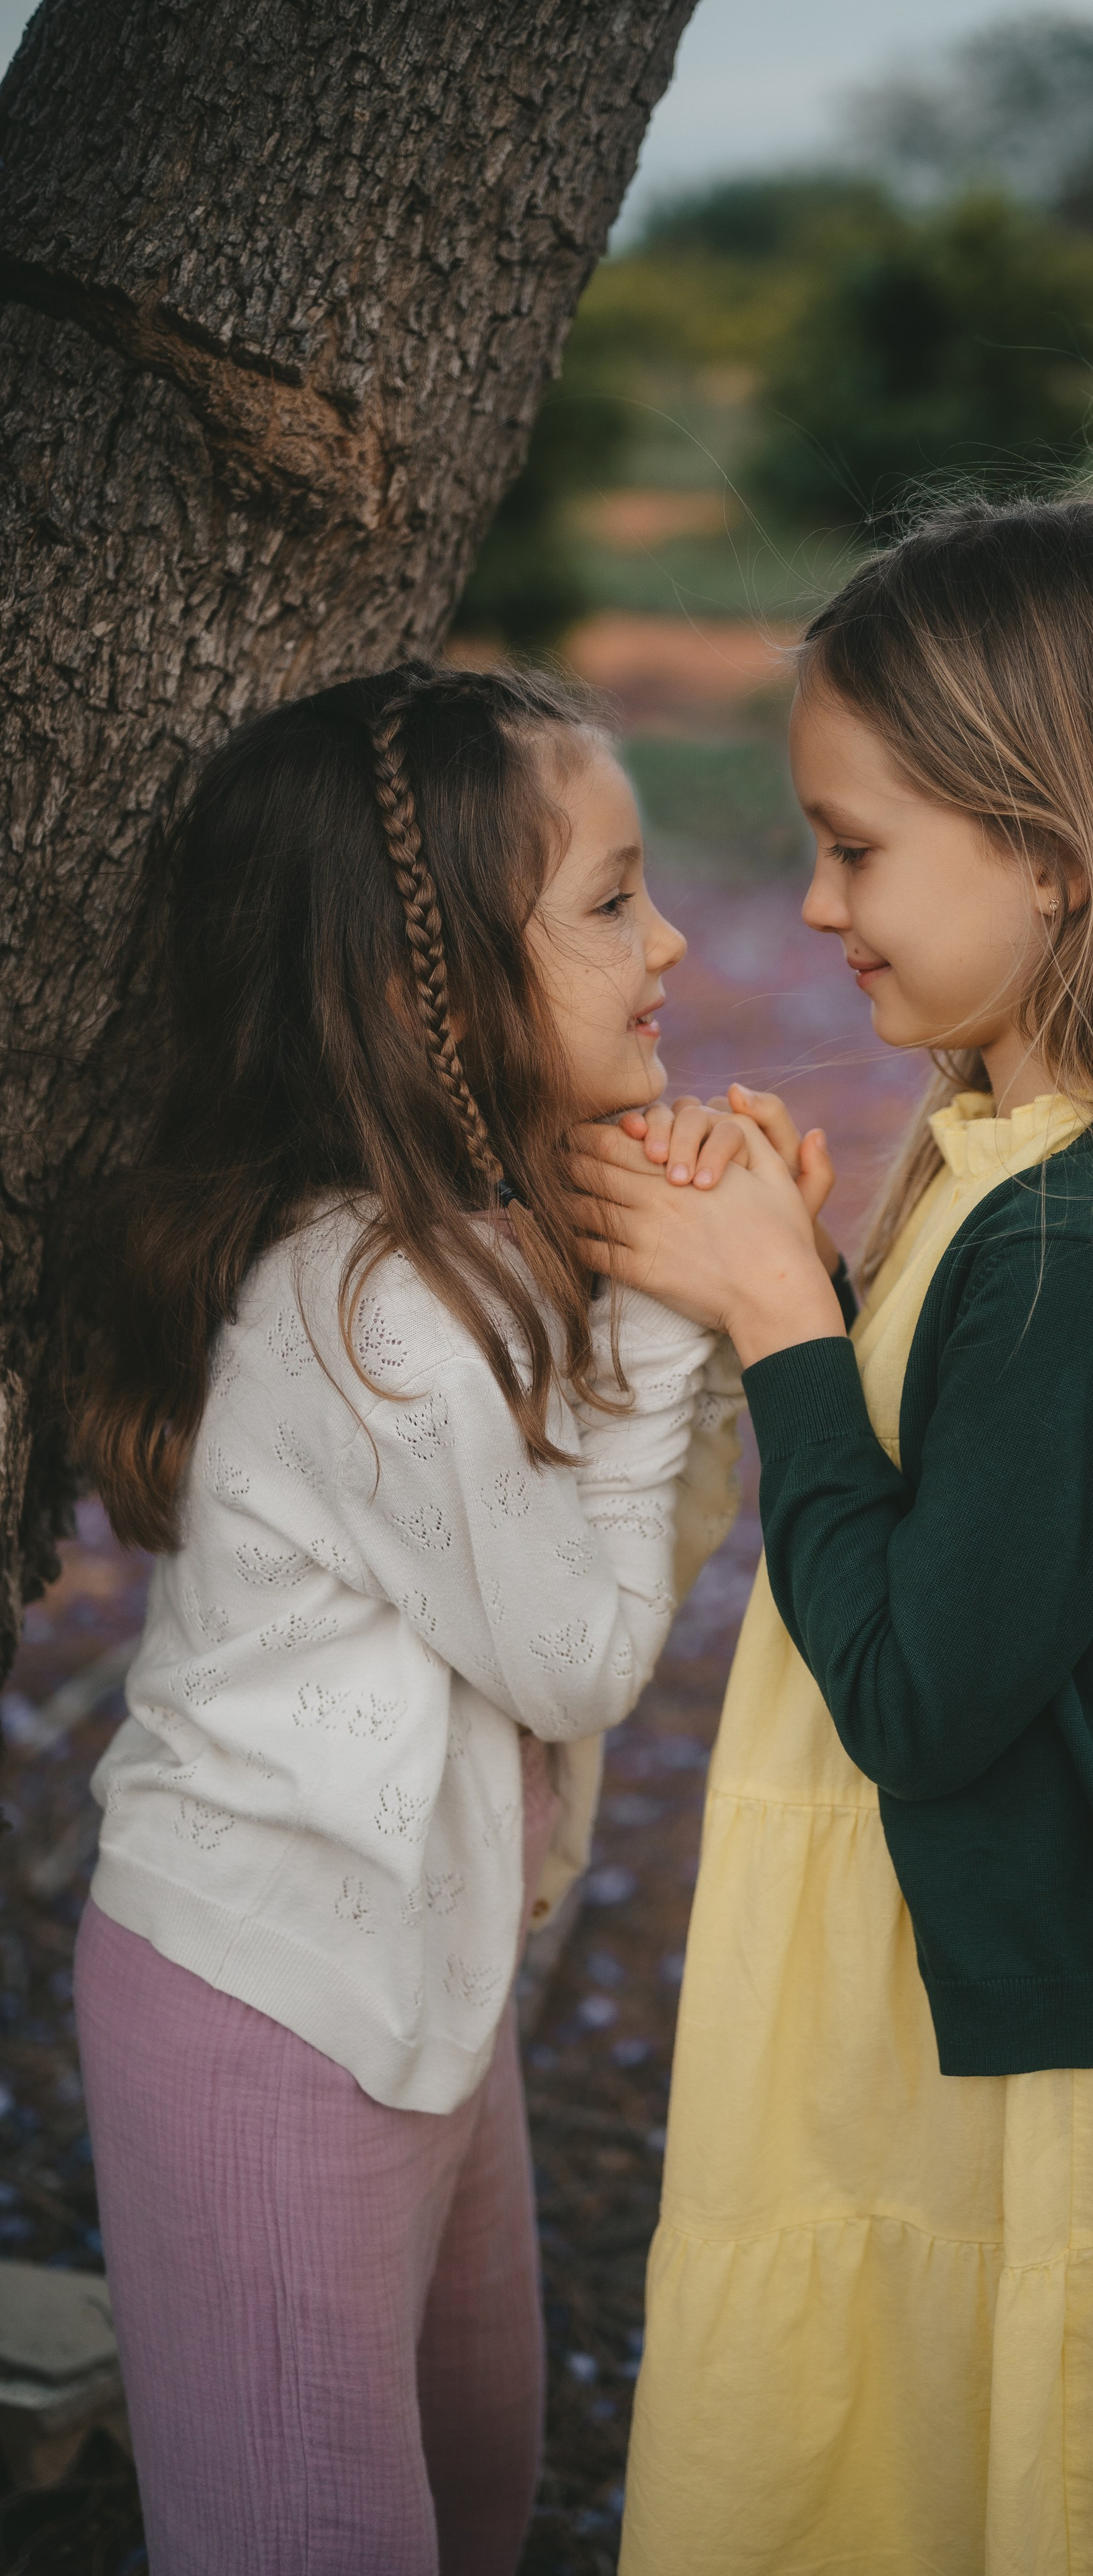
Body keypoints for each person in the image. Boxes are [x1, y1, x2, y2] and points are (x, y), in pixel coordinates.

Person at [579, 499, 1093, 2576]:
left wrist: (784, 1324)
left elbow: (922, 1693)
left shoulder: (1087, 1238)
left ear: (1054, 853)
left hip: (1071, 2049)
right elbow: (974, 1517)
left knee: (1066, 2488)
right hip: (984, 1991)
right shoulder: (1011, 1165)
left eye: (856, 847)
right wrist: (812, 1290)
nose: (817, 902)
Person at [70, 661, 826, 2576]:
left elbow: (607, 1561)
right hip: (265, 2007)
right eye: (611, 903)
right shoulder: (366, 1311)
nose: (670, 941)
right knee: (312, 2535)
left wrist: (715, 1284)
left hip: (424, 1990)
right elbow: (577, 1655)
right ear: (436, 997)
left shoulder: (472, 1245)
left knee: (478, 2479)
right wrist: (676, 1309)